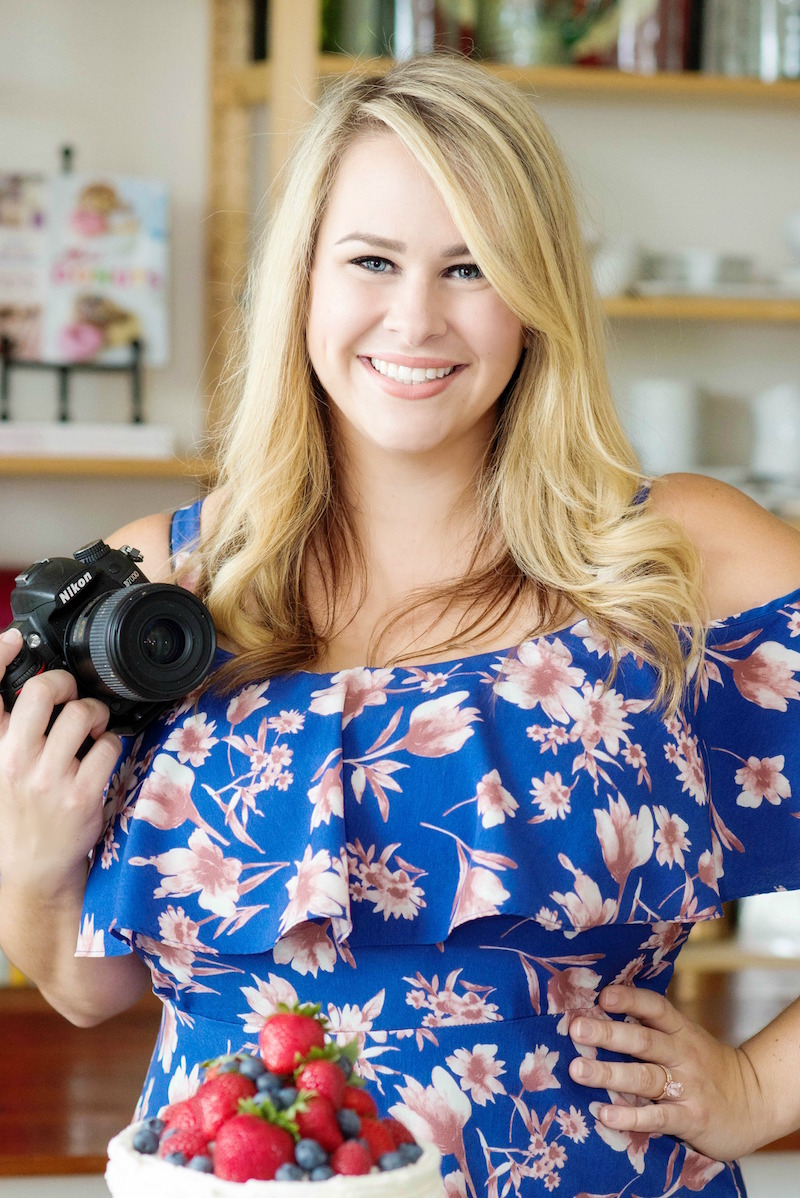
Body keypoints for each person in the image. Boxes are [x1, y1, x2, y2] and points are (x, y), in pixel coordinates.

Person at [1, 53, 800, 1198]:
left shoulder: (676, 558)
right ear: (304, 284)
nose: (414, 319)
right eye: (370, 261)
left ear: (535, 298)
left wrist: (762, 1091)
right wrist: (26, 858)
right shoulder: (159, 594)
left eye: (470, 267)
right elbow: (91, 991)